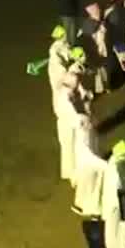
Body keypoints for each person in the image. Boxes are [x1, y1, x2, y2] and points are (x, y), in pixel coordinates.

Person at [54, 56, 89, 186]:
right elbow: (72, 115)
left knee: (73, 150)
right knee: (70, 151)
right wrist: (82, 119)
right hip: (67, 127)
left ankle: (74, 174)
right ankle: (72, 176)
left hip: (69, 125)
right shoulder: (65, 97)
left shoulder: (67, 91)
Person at [98, 141, 125, 248]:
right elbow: (121, 185)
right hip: (119, 200)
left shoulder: (113, 161)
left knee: (112, 225)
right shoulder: (118, 168)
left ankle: (115, 244)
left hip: (112, 200)